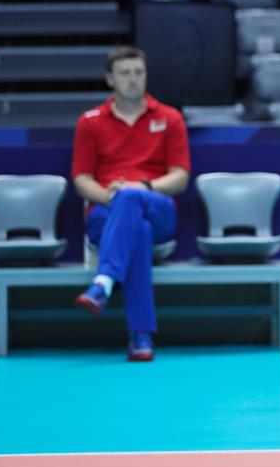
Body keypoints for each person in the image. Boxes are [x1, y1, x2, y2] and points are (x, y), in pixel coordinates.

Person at [72, 46, 191, 362]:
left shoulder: (170, 118)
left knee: (132, 201)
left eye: (139, 72)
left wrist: (139, 189)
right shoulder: (90, 122)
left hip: (157, 205)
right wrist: (113, 199)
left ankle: (103, 282)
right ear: (110, 79)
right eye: (125, 73)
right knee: (138, 230)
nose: (133, 79)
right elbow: (82, 180)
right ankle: (140, 336)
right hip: (106, 212)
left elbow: (180, 178)